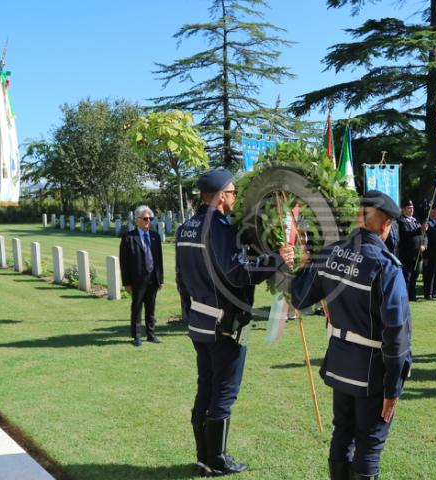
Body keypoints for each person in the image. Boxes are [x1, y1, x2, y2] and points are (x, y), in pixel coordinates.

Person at [176, 168, 294, 475]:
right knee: (224, 393)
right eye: (232, 192)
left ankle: (204, 456)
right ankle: (216, 459)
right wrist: (277, 260)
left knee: (206, 388)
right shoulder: (218, 229)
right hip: (224, 325)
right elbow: (236, 273)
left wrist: (190, 313)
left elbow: (182, 279)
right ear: (219, 196)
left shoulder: (186, 227)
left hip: (200, 322)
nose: (235, 197)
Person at [291, 190, 412, 480]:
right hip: (371, 370)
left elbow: (300, 297)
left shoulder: (331, 252)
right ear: (385, 225)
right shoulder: (386, 265)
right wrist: (393, 387)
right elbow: (396, 334)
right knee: (369, 443)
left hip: (340, 362)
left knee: (343, 433)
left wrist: (305, 264)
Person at [119, 205, 164, 346]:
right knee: (137, 308)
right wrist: (126, 283)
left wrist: (160, 279)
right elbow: (123, 262)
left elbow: (159, 260)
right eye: (145, 219)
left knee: (151, 308)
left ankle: (151, 334)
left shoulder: (155, 236)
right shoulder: (129, 238)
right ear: (137, 220)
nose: (148, 221)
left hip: (152, 279)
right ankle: (136, 336)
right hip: (137, 280)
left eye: (150, 218)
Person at [396, 199, 424, 301]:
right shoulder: (400, 221)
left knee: (415, 276)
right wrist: (419, 230)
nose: (411, 209)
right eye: (409, 208)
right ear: (403, 209)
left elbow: (423, 235)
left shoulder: (415, 220)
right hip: (407, 253)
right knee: (406, 276)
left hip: (417, 253)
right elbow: (405, 234)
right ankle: (405, 296)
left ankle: (412, 295)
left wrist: (424, 244)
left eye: (412, 208)